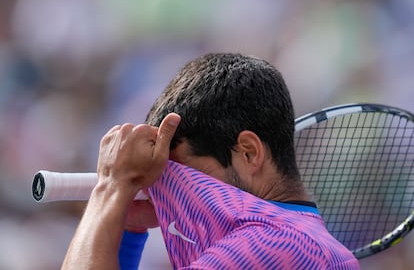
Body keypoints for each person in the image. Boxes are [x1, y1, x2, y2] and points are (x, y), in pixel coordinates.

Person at [62, 53, 360, 269]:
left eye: (183, 176)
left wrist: (113, 185)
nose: (169, 193)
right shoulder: (300, 242)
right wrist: (127, 224)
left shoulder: (276, 244)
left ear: (248, 153)